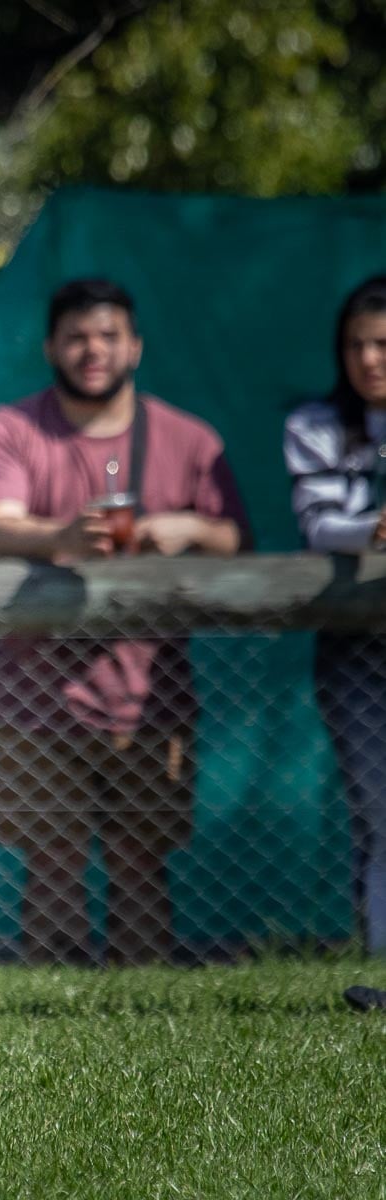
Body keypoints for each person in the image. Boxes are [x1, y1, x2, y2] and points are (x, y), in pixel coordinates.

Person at [0, 278, 248, 966]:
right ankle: (47, 1002)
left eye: (107, 335)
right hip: (34, 699)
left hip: (152, 697)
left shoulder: (190, 440)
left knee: (140, 859)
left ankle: (144, 995)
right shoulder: (13, 429)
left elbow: (232, 539)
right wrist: (62, 535)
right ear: (50, 347)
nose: (92, 350)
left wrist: (187, 527)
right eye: (76, 336)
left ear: (135, 346)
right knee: (51, 859)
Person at [284, 275, 386, 959]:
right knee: (380, 815)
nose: (369, 359)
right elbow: (319, 526)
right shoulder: (314, 426)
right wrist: (374, 529)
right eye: (355, 345)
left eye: (382, 344)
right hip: (356, 650)